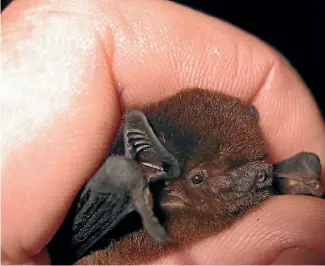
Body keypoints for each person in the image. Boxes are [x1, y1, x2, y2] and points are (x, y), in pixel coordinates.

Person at [2, 0, 325, 264]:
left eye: (247, 163)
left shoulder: (249, 179)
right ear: (157, 172)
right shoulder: (147, 203)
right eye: (200, 177)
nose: (243, 179)